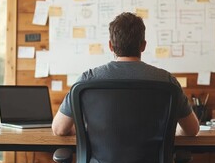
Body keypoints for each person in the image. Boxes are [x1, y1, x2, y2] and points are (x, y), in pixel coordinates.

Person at [52, 12, 199, 136]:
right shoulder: (167, 82)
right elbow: (192, 130)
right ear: (143, 45)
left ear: (110, 45)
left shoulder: (86, 81)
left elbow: (59, 128)